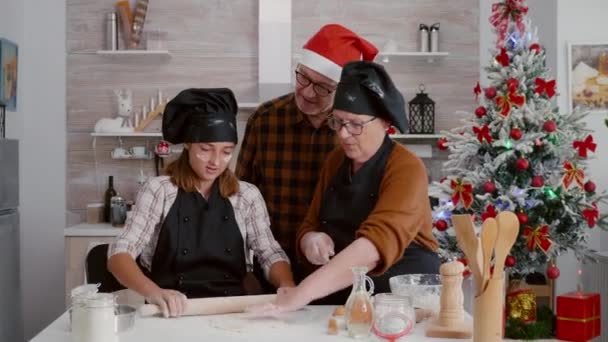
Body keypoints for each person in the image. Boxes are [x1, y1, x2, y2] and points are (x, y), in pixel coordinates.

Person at [261, 61, 440, 311]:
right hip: (342, 296)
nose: (343, 134)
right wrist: (310, 239)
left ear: (385, 123)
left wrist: (301, 294)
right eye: (337, 122)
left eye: (355, 124)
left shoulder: (406, 168)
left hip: (400, 303)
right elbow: (309, 224)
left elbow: (374, 247)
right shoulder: (336, 160)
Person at [107, 88, 294, 318]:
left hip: (231, 312)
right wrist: (153, 292)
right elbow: (119, 253)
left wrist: (288, 288)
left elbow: (270, 253)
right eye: (206, 149)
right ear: (188, 144)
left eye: (226, 152)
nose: (216, 161)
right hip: (170, 312)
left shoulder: (247, 195)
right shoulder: (159, 190)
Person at [235, 24, 378, 283]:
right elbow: (240, 198)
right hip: (272, 266)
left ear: (344, 90)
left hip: (337, 267)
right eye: (303, 77)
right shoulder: (264, 119)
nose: (308, 92)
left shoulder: (359, 130)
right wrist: (244, 268)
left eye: (323, 87)